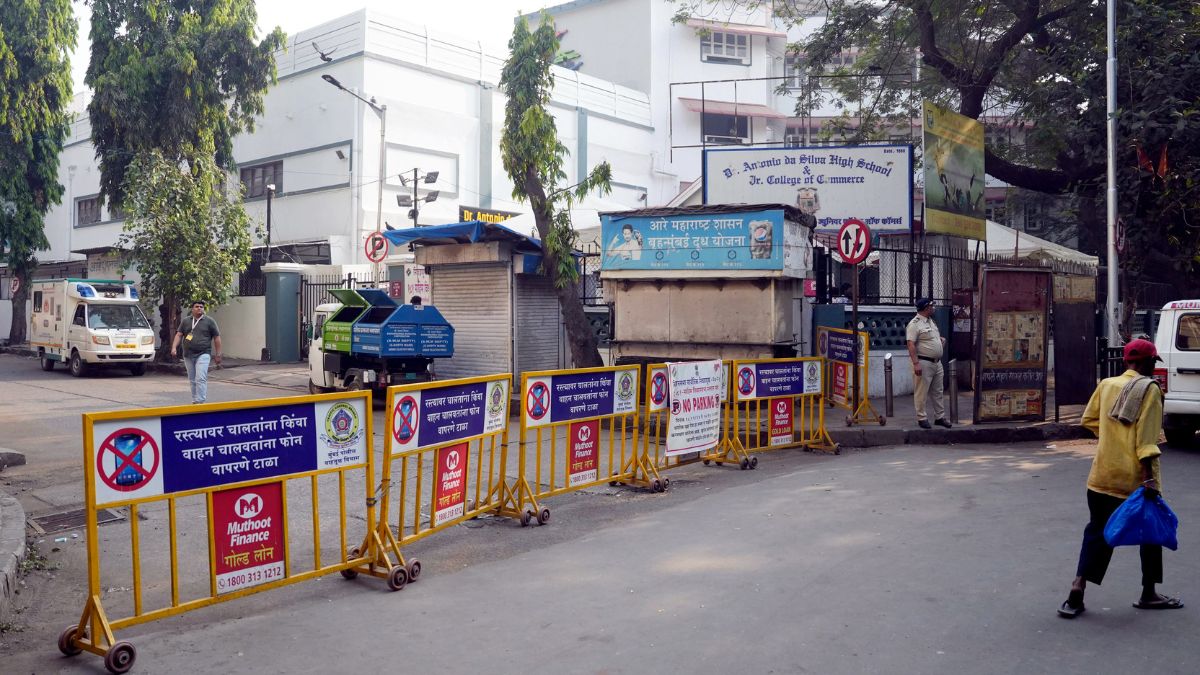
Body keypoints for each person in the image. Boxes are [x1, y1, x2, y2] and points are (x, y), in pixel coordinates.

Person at [1058, 338, 1182, 618]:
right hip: (1134, 478)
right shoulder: (1149, 389)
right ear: (1149, 362)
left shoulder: (1106, 385)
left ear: (1126, 361)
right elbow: (1147, 441)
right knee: (1150, 533)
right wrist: (1148, 479)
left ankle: (1078, 587)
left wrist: (1113, 438)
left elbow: (1088, 420)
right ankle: (1148, 593)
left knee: (1097, 531)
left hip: (1101, 475)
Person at [906, 298, 950, 429]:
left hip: (936, 363)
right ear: (926, 308)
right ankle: (922, 417)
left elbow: (931, 338)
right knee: (921, 392)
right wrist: (916, 363)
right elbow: (910, 344)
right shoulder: (915, 324)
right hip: (923, 362)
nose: (934, 308)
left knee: (938, 391)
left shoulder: (931, 321)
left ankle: (940, 417)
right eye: (931, 306)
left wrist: (940, 341)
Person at [171, 300, 222, 404]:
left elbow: (217, 338)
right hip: (188, 355)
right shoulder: (186, 321)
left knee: (201, 377)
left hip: (203, 353)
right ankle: (195, 400)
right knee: (192, 379)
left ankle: (201, 400)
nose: (199, 308)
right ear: (192, 309)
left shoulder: (209, 321)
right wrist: (174, 348)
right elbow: (179, 335)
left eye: (201, 307)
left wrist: (218, 354)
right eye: (197, 306)